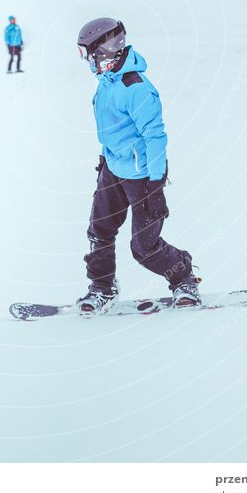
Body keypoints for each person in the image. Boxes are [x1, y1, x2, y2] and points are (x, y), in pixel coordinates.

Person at [75, 17, 201, 314]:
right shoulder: (107, 83)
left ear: (102, 50)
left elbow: (155, 137)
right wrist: (106, 160)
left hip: (144, 175)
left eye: (87, 53)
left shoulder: (137, 87)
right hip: (114, 168)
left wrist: (155, 185)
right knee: (99, 232)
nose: (88, 61)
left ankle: (184, 278)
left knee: (144, 248)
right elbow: (113, 130)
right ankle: (102, 288)